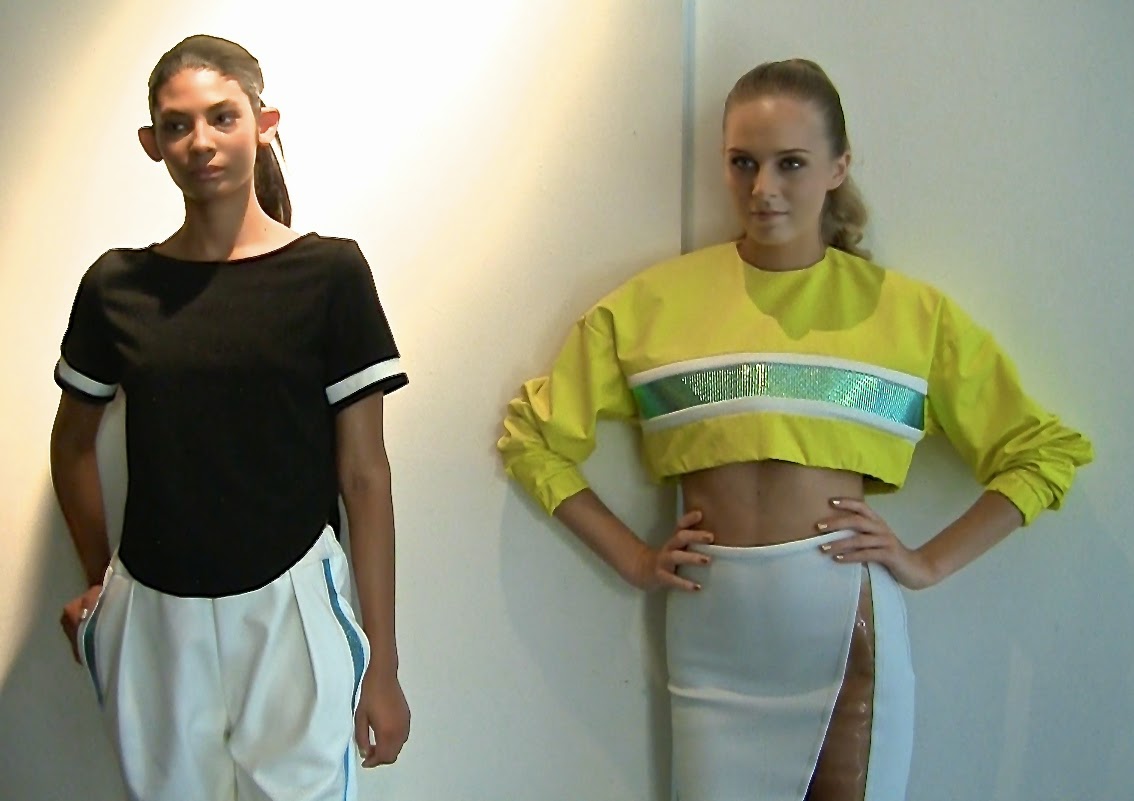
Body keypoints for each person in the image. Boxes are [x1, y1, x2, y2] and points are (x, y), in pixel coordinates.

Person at [497, 58, 1092, 801]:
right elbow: (533, 439)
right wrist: (634, 557)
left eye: (792, 163)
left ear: (838, 167)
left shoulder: (909, 316)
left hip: (847, 642)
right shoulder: (652, 305)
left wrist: (927, 562)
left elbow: (1043, 453)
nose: (763, 189)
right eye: (743, 163)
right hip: (710, 653)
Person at [51, 34, 410, 801]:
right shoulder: (117, 286)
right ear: (151, 143)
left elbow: (364, 475)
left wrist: (381, 664)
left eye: (222, 116)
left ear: (263, 123)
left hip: (292, 599)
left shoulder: (329, 273)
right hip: (154, 611)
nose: (201, 141)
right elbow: (72, 443)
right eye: (177, 125)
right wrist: (97, 579)